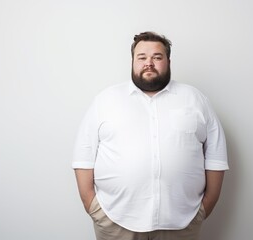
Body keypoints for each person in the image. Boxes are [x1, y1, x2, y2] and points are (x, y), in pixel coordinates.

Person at [73, 31, 229, 240]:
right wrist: (93, 207)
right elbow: (83, 156)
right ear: (132, 61)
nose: (149, 63)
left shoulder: (195, 99)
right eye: (142, 57)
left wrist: (202, 210)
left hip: (182, 222)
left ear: (168, 61)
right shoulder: (105, 100)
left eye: (157, 57)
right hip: (115, 220)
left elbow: (216, 157)